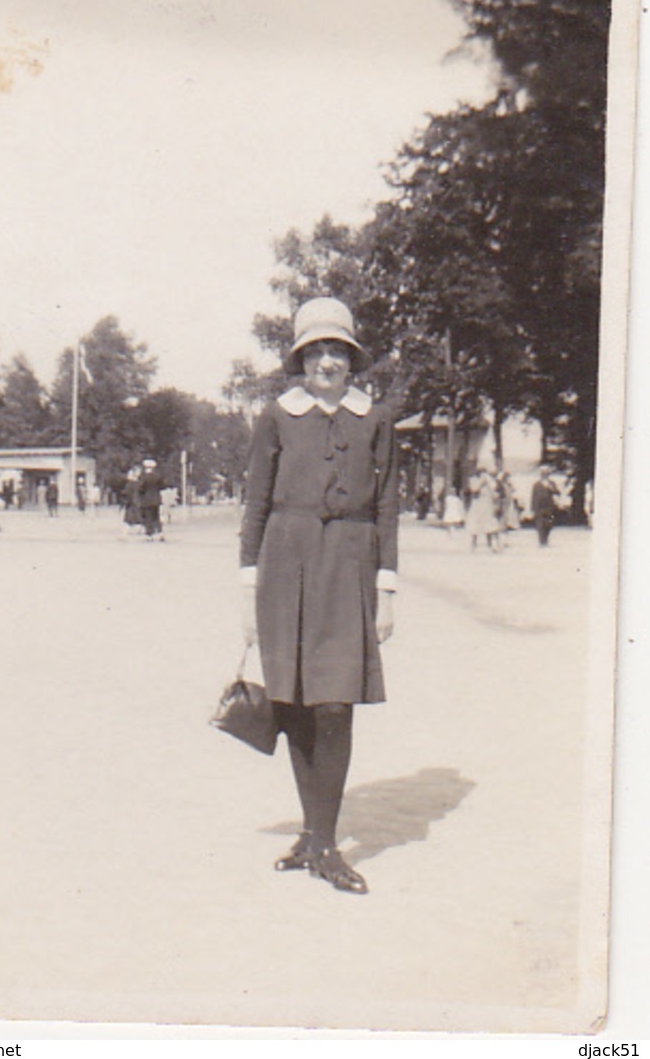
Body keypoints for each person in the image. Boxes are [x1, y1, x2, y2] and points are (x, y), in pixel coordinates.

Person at [239, 297, 399, 896]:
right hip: (285, 563)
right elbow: (255, 504)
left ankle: (327, 845)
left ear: (351, 359)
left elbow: (387, 507)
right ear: (301, 359)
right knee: (296, 704)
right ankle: (312, 837)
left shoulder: (375, 417)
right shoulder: (276, 416)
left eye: (337, 351)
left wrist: (387, 590)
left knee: (335, 705)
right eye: (316, 351)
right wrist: (246, 591)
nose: (327, 362)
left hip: (350, 565)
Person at [466, 466, 501, 552]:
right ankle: (473, 544)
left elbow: (495, 489)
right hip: (477, 505)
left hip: (487, 505)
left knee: (490, 524)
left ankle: (492, 544)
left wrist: (487, 480)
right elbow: (474, 489)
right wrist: (482, 481)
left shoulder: (489, 482)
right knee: (475, 524)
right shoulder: (474, 480)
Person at [530, 464, 558, 547]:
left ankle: (546, 537)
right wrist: (533, 508)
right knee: (540, 524)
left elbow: (557, 493)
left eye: (546, 473)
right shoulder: (536, 484)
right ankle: (542, 540)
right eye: (543, 473)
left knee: (549, 523)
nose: (545, 474)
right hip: (539, 507)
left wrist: (552, 488)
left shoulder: (552, 483)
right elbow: (534, 496)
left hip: (549, 506)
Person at [138, 459, 164, 540]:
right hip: (156, 499)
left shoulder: (144, 477)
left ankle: (149, 534)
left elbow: (141, 488)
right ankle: (160, 533)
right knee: (156, 517)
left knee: (148, 517)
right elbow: (161, 486)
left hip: (147, 500)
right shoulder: (158, 476)